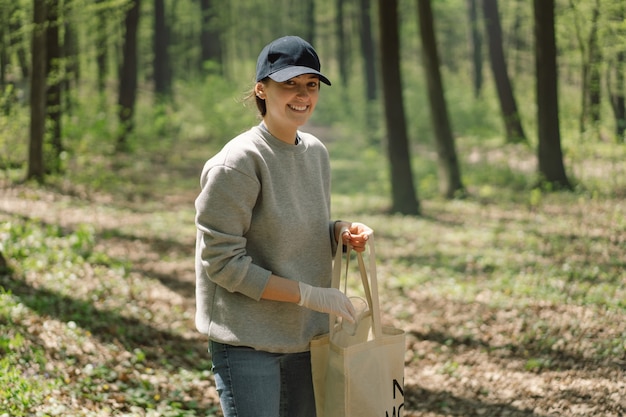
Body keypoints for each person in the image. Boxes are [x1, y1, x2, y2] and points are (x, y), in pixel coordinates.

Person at [194, 35, 373, 417]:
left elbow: (295, 226)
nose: (302, 95)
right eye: (289, 83)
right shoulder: (238, 162)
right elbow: (222, 263)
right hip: (246, 341)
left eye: (310, 85)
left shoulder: (316, 153)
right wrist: (308, 295)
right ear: (261, 89)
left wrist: (339, 231)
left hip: (306, 338)